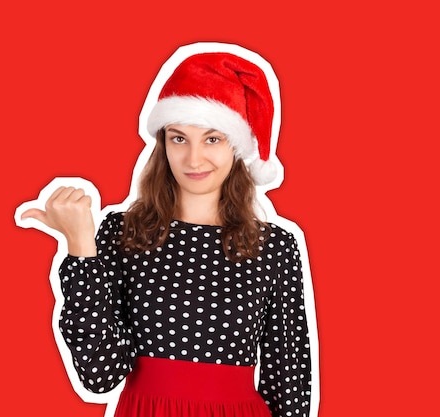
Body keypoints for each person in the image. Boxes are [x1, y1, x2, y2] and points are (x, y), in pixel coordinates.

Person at [19, 44, 313, 417]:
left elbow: (289, 381)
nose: (193, 158)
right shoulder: (121, 233)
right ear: (163, 144)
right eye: (179, 138)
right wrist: (80, 247)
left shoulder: (274, 248)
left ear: (237, 148)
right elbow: (99, 374)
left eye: (212, 138)